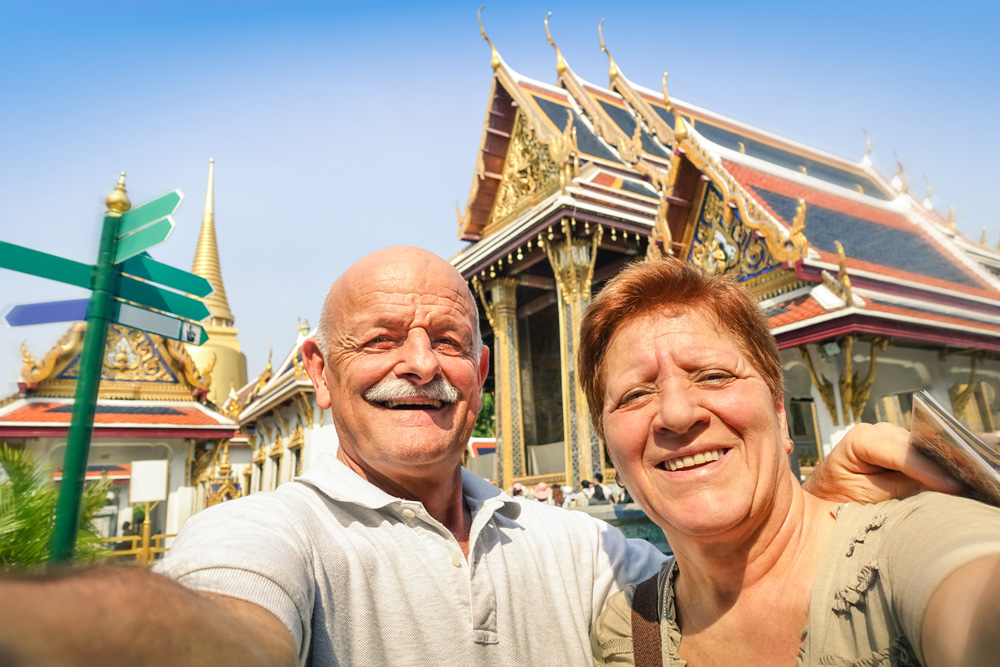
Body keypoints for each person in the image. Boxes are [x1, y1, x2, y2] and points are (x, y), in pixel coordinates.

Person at [0, 247, 961, 666]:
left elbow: (733, 580)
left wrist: (815, 514)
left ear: (483, 372)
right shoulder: (262, 534)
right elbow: (213, 633)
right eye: (380, 341)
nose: (420, 365)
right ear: (317, 374)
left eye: (448, 340)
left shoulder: (583, 552)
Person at [578, 257, 1000, 666]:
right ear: (611, 454)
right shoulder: (627, 632)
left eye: (713, 375)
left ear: (780, 415)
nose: (677, 415)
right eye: (634, 395)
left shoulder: (905, 543)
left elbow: (976, 598)